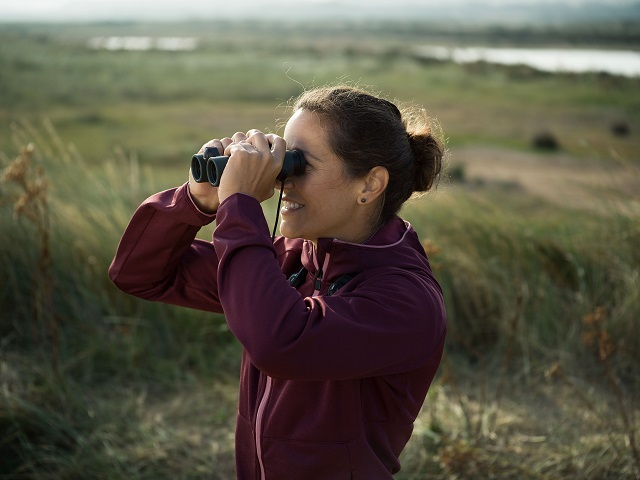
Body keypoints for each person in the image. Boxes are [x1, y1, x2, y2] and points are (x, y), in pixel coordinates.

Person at [109, 85, 447, 479]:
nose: (282, 181)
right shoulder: (293, 257)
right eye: (283, 159)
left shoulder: (405, 300)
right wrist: (196, 200)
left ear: (369, 185)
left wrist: (241, 208)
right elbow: (139, 273)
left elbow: (280, 342)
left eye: (299, 164)